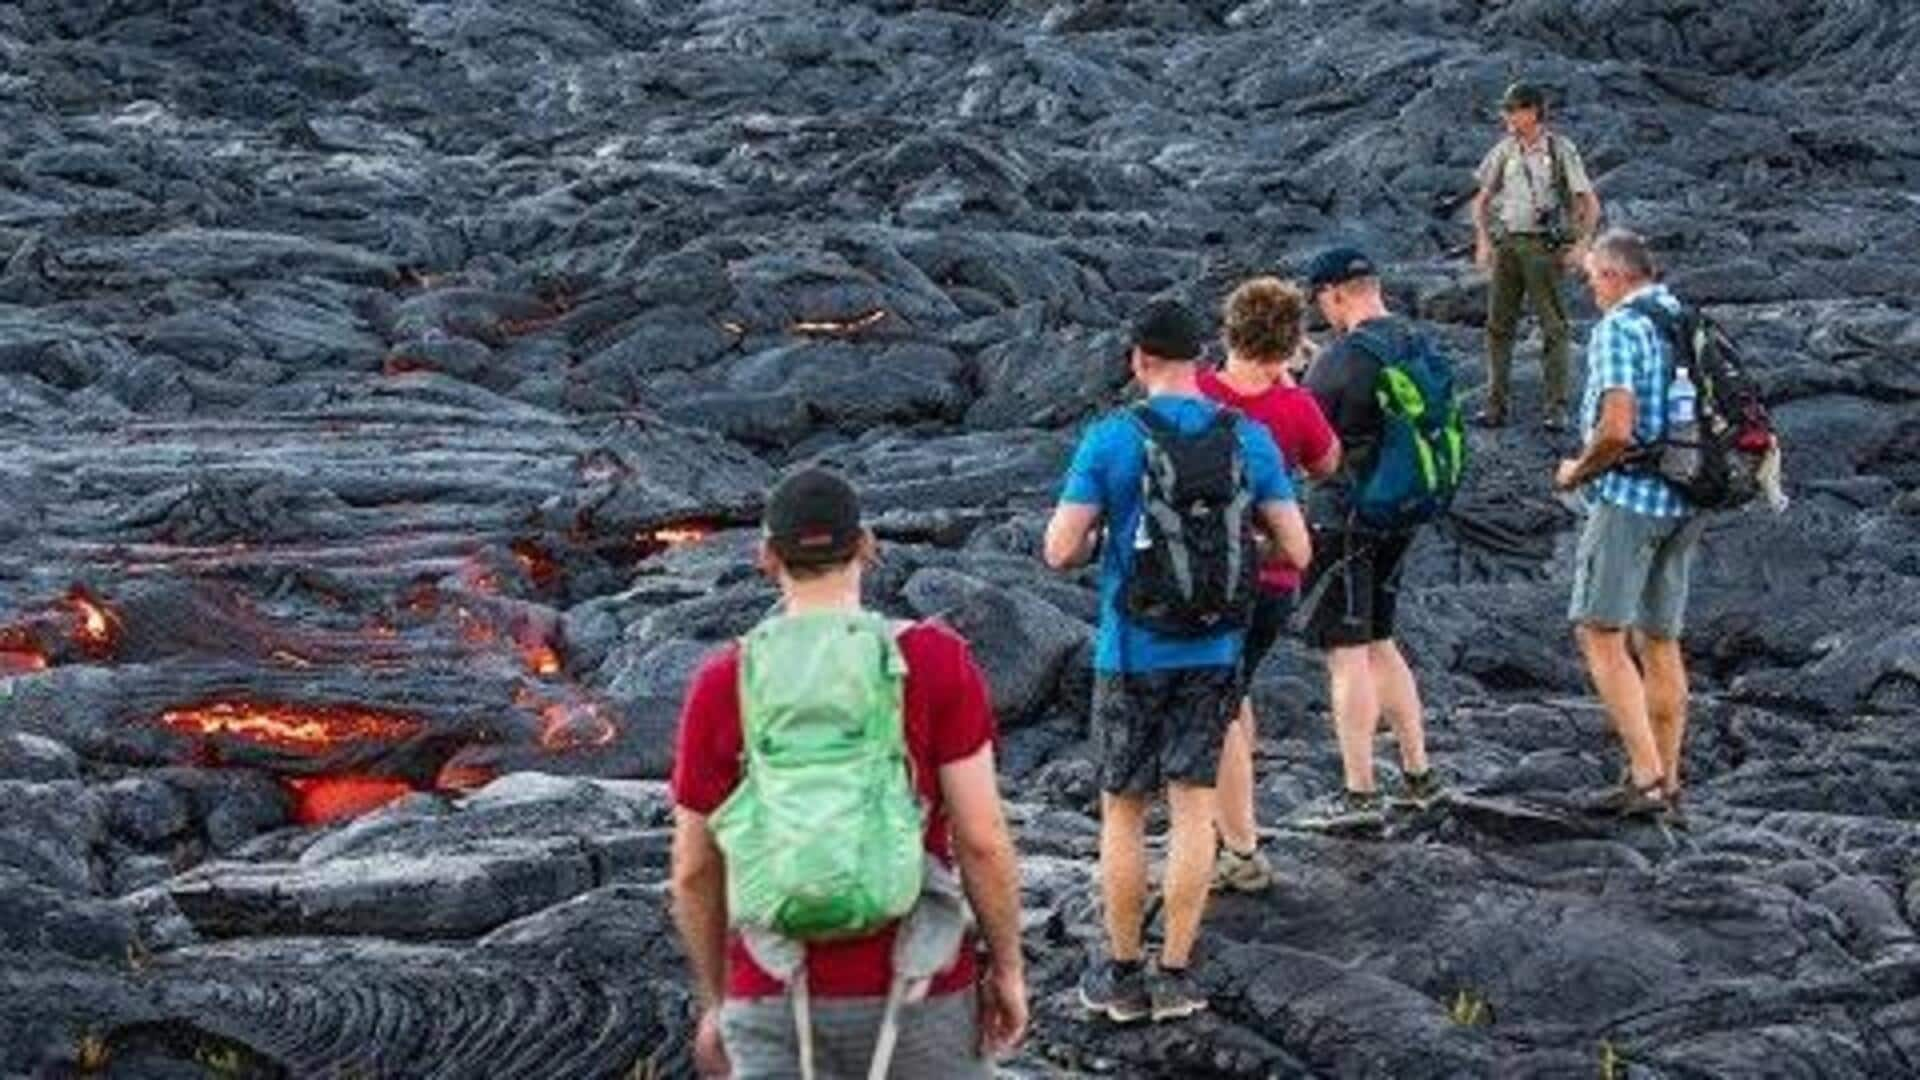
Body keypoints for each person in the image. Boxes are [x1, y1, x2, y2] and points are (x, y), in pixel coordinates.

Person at [670, 467, 1027, 1078]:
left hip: (774, 990)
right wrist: (1010, 968)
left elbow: (694, 871)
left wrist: (718, 1001)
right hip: (923, 987)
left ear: (766, 557)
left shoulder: (724, 680)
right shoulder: (936, 662)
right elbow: (983, 841)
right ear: (866, 546)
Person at [1045, 298, 1310, 1023]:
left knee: (1124, 811)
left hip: (1129, 649)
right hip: (1216, 648)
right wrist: (1235, 554)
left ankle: (1123, 973)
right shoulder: (1248, 438)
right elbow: (1298, 549)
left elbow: (1059, 549)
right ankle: (1176, 973)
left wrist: (1114, 544)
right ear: (1199, 359)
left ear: (1138, 360)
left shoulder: (1111, 439)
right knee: (1195, 808)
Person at [1196, 278, 1341, 892]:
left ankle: (1241, 846)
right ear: (1291, 341)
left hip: (1210, 571)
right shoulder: (1295, 408)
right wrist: (1289, 389)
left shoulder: (1199, 392)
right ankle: (1233, 820)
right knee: (1236, 689)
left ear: (1231, 331)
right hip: (1278, 571)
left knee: (1218, 704)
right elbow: (1328, 464)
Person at [1553, 229, 1702, 819]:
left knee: (1600, 633)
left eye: (1593, 279)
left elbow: (1616, 428)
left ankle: (1643, 777)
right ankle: (1669, 778)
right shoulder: (1683, 317)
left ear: (1615, 276)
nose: (1592, 291)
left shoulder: (1621, 327)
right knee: (1661, 638)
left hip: (1630, 499)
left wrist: (1575, 472)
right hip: (1686, 498)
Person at [1295, 248, 1443, 832]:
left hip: (1345, 515)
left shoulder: (1340, 360)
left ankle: (1358, 793)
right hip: (1402, 511)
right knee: (1382, 638)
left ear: (1333, 294)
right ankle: (1418, 774)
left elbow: (1312, 448)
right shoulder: (1416, 342)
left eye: (1321, 302)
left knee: (1347, 653)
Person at [1470, 80, 1602, 430]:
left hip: (1544, 247)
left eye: (1512, 109)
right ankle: (1495, 405)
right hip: (1508, 245)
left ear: (1532, 112)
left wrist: (1582, 244)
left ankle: (1555, 408)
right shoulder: (1504, 151)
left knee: (1554, 328)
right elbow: (1481, 199)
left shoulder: (1561, 150)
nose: (1506, 116)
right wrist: (1483, 241)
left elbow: (1587, 200)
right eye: (1506, 109)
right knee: (1498, 327)